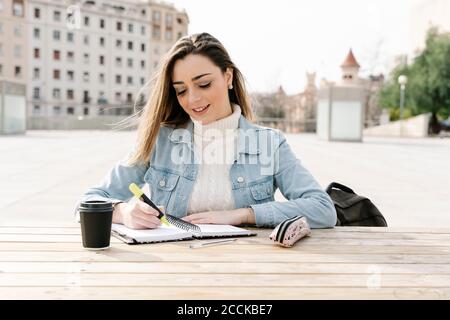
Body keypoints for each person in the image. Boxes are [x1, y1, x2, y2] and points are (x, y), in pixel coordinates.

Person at [77, 32, 337, 230]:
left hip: (250, 272)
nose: (192, 99)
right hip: (174, 273)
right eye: (181, 90)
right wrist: (123, 212)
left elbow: (323, 209)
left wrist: (243, 215)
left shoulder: (270, 143)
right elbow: (88, 203)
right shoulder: (160, 141)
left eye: (203, 84)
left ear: (228, 77)